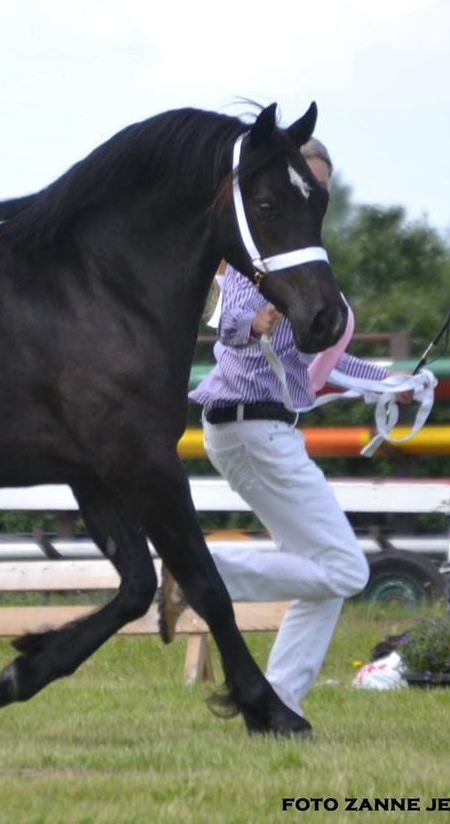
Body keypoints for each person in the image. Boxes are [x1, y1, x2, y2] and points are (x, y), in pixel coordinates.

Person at [165, 137, 398, 718]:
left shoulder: (301, 267)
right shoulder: (261, 261)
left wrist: (392, 381)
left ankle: (279, 701)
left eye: (320, 188)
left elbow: (319, 362)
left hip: (262, 431)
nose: (312, 193)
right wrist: (257, 322)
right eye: (305, 182)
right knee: (346, 568)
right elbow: (227, 327)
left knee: (323, 576)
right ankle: (198, 571)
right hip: (252, 430)